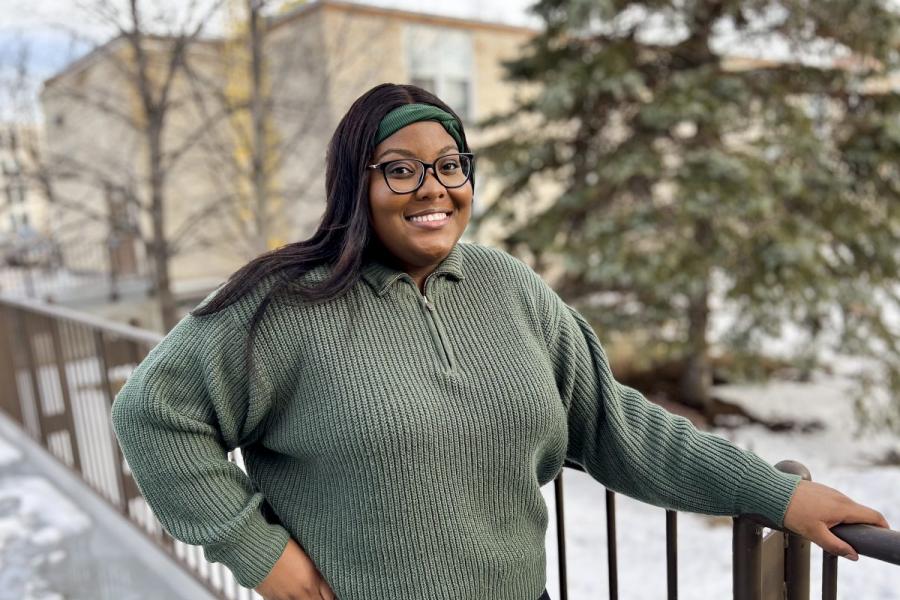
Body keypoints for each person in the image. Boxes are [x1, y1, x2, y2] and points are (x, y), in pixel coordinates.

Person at [111, 83, 889, 600]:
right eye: (401, 170)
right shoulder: (282, 304)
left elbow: (616, 426)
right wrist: (259, 554)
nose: (434, 188)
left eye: (451, 165)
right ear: (356, 183)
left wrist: (778, 495)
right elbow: (152, 415)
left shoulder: (508, 287)